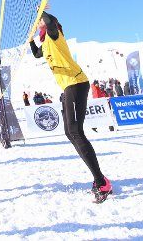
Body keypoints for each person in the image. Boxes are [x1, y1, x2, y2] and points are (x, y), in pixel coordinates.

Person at [29, 11, 112, 203]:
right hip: (68, 86)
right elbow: (36, 54)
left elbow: (51, 21)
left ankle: (101, 182)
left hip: (76, 82)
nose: (40, 22)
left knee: (75, 131)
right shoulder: (45, 43)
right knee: (69, 132)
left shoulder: (54, 33)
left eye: (41, 21)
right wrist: (30, 39)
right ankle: (99, 179)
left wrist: (41, 10)